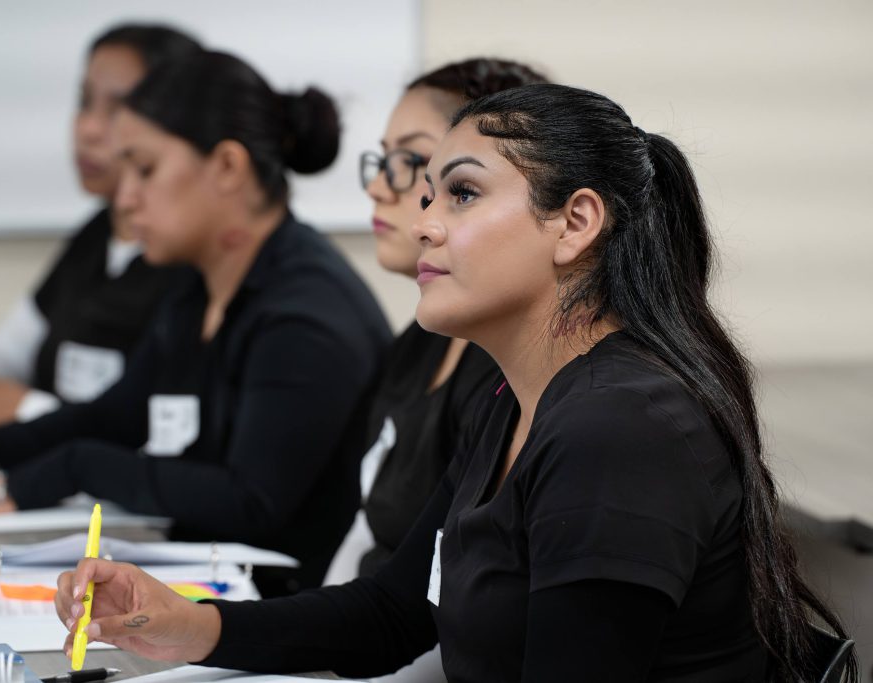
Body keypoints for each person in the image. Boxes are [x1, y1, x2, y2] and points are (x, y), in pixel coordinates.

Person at [53, 83, 857, 681]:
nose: (427, 221)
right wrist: (184, 625)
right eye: (430, 194)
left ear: (575, 222)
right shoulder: (513, 399)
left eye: (462, 193)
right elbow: (394, 611)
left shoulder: (622, 428)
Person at [0, 50, 392, 597]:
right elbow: (110, 418)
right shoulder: (195, 287)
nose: (126, 199)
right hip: (206, 589)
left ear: (226, 167)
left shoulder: (307, 313)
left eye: (145, 169)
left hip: (289, 626)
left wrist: (77, 467)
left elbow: (253, 501)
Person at [0, 24, 201, 432]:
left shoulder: (189, 261)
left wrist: (27, 407)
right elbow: (11, 345)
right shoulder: (93, 237)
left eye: (119, 109)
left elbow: (155, 432)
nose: (87, 129)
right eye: (84, 102)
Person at [347, 58, 548, 579]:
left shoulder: (513, 374)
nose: (379, 188)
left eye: (457, 188)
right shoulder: (420, 339)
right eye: (384, 160)